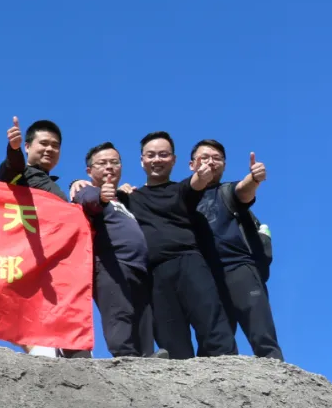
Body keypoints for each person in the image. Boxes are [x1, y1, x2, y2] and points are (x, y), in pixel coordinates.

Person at [115, 132, 236, 360]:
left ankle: (233, 385)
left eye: (163, 154)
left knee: (214, 329)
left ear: (173, 160)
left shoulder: (180, 190)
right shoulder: (130, 198)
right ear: (142, 160)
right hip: (154, 273)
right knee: (171, 342)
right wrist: (76, 183)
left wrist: (202, 176)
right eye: (151, 155)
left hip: (189, 263)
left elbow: (195, 184)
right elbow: (102, 197)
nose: (157, 159)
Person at [0, 116, 90, 359]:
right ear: (27, 147)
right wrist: (12, 150)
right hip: (30, 261)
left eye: (55, 145)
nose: (50, 149)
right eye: (43, 143)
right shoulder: (20, 175)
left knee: (69, 319)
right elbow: (10, 167)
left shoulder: (53, 185)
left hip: (60, 265)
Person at [189, 140, 283, 360]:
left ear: (224, 164)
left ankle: (278, 382)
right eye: (204, 157)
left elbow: (243, 190)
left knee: (262, 335)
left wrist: (255, 178)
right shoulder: (182, 198)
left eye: (217, 158)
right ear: (191, 164)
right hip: (205, 277)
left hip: (239, 268)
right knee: (213, 344)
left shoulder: (227, 191)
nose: (211, 162)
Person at [70, 142, 154, 358]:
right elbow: (86, 200)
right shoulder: (87, 189)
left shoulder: (123, 200)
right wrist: (100, 196)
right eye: (102, 163)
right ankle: (125, 361)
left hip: (139, 268)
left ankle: (147, 363)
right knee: (120, 315)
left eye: (114, 162)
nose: (109, 167)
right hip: (111, 264)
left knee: (143, 320)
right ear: (89, 171)